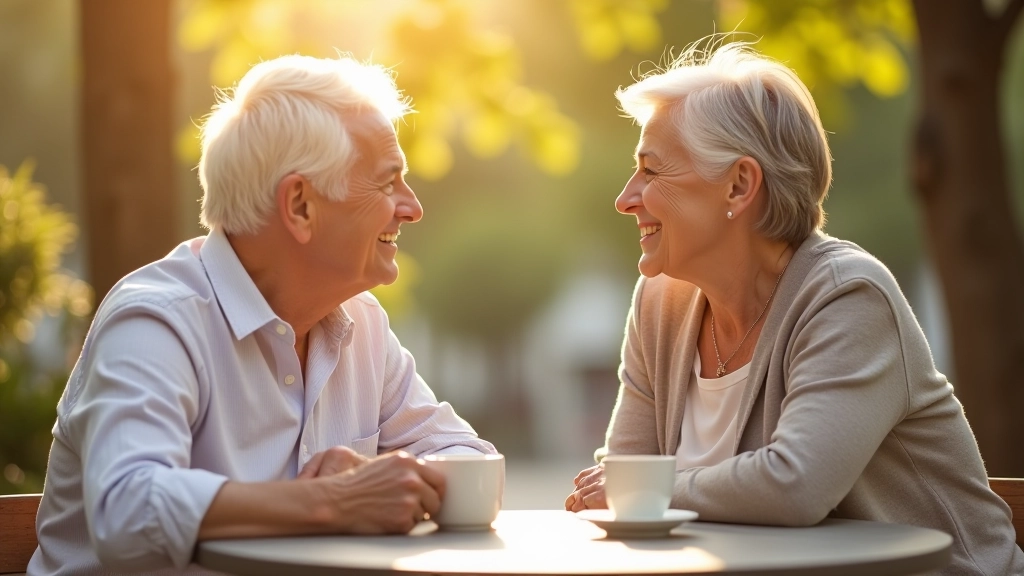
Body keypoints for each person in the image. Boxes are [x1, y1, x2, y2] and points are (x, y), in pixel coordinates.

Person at [564, 40, 1024, 575]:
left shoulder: (848, 296)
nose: (626, 197)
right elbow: (621, 485)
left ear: (738, 185)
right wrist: (631, 491)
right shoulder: (660, 303)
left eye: (651, 171)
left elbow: (795, 485)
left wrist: (651, 488)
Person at [29, 55, 497, 575]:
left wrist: (383, 479)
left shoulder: (360, 323)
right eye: (388, 183)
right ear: (299, 205)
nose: (412, 207)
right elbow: (128, 511)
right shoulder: (156, 319)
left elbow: (469, 457)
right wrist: (337, 502)